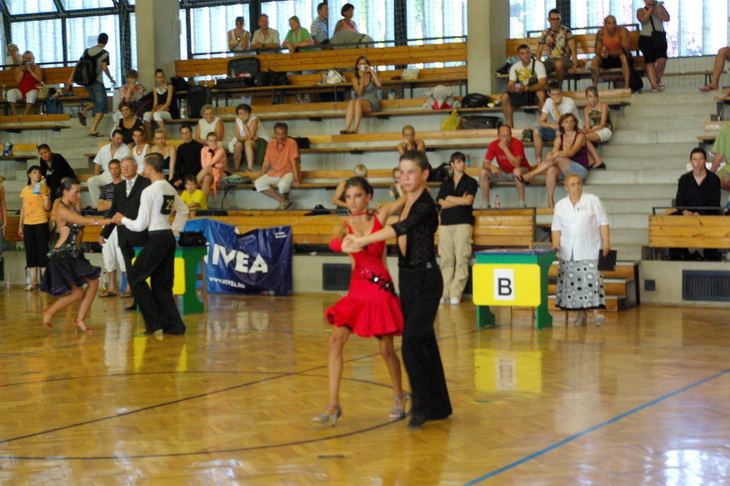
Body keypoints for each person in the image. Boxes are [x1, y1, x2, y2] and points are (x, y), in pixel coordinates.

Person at [342, 150, 452, 429]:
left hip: (427, 279)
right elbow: (389, 211)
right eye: (401, 173)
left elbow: (400, 228)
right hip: (407, 278)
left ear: (424, 174)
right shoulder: (406, 200)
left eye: (410, 172)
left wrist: (362, 240)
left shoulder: (426, 205)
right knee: (425, 343)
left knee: (412, 342)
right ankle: (439, 405)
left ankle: (421, 406)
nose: (405, 177)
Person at [312, 177, 407, 425]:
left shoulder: (381, 215)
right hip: (357, 292)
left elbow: (408, 199)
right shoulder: (343, 225)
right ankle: (333, 404)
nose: (352, 201)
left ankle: (399, 395)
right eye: (348, 197)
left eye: (357, 196)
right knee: (335, 341)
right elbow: (334, 241)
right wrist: (342, 245)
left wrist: (404, 187)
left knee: (386, 350)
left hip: (381, 290)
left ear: (368, 196)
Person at [112, 152, 189, 335]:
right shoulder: (169, 187)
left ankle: (157, 320)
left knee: (135, 277)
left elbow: (140, 225)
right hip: (167, 238)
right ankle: (175, 325)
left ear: (150, 168)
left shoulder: (149, 191)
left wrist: (123, 220)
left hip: (157, 238)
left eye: (144, 165)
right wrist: (174, 231)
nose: (143, 169)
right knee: (162, 285)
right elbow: (184, 211)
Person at [40, 178, 112, 332]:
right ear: (65, 192)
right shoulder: (61, 209)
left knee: (87, 286)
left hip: (74, 254)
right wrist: (110, 221)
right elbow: (85, 222)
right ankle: (51, 312)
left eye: (79, 192)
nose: (79, 195)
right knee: (80, 290)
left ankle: (77, 319)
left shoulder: (72, 207)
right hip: (63, 254)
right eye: (76, 192)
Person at [551, 173, 610, 327]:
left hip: (590, 249)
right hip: (568, 252)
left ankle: (597, 312)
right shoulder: (560, 205)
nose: (576, 187)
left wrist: (606, 242)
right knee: (574, 285)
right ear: (566, 187)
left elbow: (603, 222)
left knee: (592, 281)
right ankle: (581, 314)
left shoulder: (593, 200)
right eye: (572, 184)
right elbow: (556, 228)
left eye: (578, 183)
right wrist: (556, 243)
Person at [100, 156, 151, 311]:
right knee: (130, 270)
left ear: (136, 166)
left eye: (128, 166)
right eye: (123, 167)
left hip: (142, 233)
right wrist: (105, 233)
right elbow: (114, 211)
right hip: (124, 235)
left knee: (143, 269)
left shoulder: (146, 183)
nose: (125, 169)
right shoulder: (119, 187)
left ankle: (148, 301)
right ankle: (136, 300)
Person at [519, 113, 589, 208]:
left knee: (557, 157)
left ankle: (532, 174)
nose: (569, 124)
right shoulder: (559, 138)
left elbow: (571, 152)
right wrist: (550, 154)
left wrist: (555, 154)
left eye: (571, 121)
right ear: (562, 124)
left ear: (575, 123)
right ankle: (550, 201)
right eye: (566, 122)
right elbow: (554, 153)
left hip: (579, 170)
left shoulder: (580, 136)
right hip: (564, 170)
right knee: (551, 170)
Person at [437, 152, 478, 305]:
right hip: (446, 223)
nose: (462, 164)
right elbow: (441, 203)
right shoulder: (446, 182)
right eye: (458, 161)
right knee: (446, 259)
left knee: (462, 258)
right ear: (452, 164)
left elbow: (468, 201)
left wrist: (449, 198)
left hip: (463, 222)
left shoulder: (471, 181)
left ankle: (456, 293)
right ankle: (445, 292)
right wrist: (459, 199)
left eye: (463, 161)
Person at [671, 148, 722, 261]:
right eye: (695, 159)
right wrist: (685, 211)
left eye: (700, 159)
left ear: (705, 160)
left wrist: (700, 213)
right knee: (672, 219)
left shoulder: (714, 179)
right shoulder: (684, 179)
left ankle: (710, 254)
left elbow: (715, 203)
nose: (698, 162)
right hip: (688, 215)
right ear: (691, 161)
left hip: (707, 214)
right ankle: (680, 254)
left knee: (714, 218)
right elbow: (679, 201)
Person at [69, 33, 115, 137]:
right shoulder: (105, 53)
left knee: (95, 101)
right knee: (103, 106)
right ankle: (93, 129)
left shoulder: (87, 51)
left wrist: (71, 79)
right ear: (106, 41)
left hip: (86, 82)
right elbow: (104, 68)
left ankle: (84, 111)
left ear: (98, 40)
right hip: (97, 82)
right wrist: (111, 78)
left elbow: (77, 65)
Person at [479, 124, 531, 209]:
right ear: (498, 136)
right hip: (504, 172)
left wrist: (505, 149)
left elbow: (516, 164)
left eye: (508, 135)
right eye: (503, 136)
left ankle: (521, 203)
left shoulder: (517, 143)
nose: (506, 139)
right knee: (483, 173)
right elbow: (484, 164)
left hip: (521, 170)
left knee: (516, 171)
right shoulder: (494, 144)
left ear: (511, 134)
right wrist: (491, 167)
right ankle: (486, 203)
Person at [530, 81, 582, 163]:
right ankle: (538, 161)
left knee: (559, 133)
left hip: (574, 129)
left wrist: (554, 106)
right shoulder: (548, 101)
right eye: (554, 94)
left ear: (561, 92)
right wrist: (552, 125)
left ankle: (561, 161)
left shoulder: (569, 102)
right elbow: (541, 122)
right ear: (548, 94)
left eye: (558, 94)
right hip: (559, 128)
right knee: (536, 131)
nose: (556, 97)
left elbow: (563, 122)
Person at [96, 159, 126, 298]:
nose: (114, 171)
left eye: (116, 168)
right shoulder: (106, 188)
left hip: (121, 223)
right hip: (107, 223)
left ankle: (129, 287)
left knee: (123, 256)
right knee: (108, 256)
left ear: (120, 169)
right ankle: (112, 287)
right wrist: (114, 204)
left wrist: (109, 204)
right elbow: (99, 207)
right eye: (111, 168)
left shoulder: (126, 186)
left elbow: (124, 206)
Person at [500, 44, 547, 128]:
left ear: (530, 53)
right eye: (523, 53)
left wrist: (526, 88)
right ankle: (510, 127)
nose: (526, 55)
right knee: (504, 97)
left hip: (534, 94)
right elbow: (510, 84)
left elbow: (542, 84)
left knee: (541, 94)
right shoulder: (514, 67)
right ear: (518, 56)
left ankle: (544, 125)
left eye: (527, 53)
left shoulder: (538, 65)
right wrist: (512, 88)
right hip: (521, 94)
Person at [19, 166, 51, 291]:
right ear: (29, 175)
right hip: (28, 223)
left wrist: (46, 193)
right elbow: (23, 207)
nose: (37, 174)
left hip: (41, 222)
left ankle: (44, 281)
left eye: (39, 172)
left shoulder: (43, 188)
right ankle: (33, 280)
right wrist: (20, 224)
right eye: (34, 172)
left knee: (42, 250)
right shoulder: (25, 190)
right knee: (30, 251)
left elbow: (47, 207)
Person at [255, 122, 301, 210]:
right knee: (258, 183)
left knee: (282, 186)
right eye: (278, 134)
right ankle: (284, 201)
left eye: (283, 134)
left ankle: (285, 201)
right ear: (274, 134)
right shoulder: (270, 144)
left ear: (287, 133)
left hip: (289, 172)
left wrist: (296, 180)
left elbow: (294, 163)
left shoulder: (292, 143)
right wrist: (261, 177)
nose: (281, 136)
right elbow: (266, 163)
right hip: (276, 173)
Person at [536, 9, 578, 88]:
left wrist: (574, 65)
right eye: (553, 19)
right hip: (550, 60)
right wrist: (537, 66)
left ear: (560, 19)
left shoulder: (566, 31)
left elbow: (573, 49)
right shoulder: (545, 33)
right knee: (540, 68)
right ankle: (548, 89)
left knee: (559, 64)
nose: (555, 21)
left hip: (564, 59)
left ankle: (558, 88)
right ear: (548, 19)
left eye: (557, 19)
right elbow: (539, 51)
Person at [87, 130, 131, 206]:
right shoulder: (104, 149)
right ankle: (97, 206)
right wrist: (97, 177)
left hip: (119, 176)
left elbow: (126, 166)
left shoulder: (125, 149)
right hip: (105, 175)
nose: (120, 141)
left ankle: (113, 205)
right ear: (112, 138)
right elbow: (97, 165)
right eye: (118, 138)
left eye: (121, 139)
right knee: (91, 181)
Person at [341, 56, 381, 134]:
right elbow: (359, 93)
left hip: (371, 102)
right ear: (357, 66)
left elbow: (379, 85)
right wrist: (361, 80)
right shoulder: (355, 78)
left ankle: (355, 128)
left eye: (364, 64)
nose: (362, 65)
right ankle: (346, 128)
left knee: (358, 101)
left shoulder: (372, 76)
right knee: (352, 102)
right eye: (360, 64)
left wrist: (371, 71)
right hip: (358, 102)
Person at [637, 0, 670, 93]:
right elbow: (643, 19)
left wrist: (657, 13)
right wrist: (650, 9)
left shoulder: (660, 7)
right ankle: (653, 85)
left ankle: (658, 79)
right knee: (650, 62)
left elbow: (667, 18)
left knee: (662, 60)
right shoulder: (640, 10)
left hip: (659, 37)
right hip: (646, 39)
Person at [591, 15, 631, 89]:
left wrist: (609, 52)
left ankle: (626, 86)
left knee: (623, 57)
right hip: (607, 58)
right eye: (609, 23)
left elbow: (626, 50)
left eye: (614, 23)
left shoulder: (622, 31)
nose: (612, 25)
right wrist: (602, 53)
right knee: (595, 60)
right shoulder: (601, 33)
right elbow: (597, 50)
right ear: (605, 25)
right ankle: (594, 88)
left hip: (620, 57)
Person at [229, 103, 270, 171]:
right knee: (237, 145)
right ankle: (236, 169)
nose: (243, 115)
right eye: (240, 113)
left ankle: (250, 168)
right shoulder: (237, 120)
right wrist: (250, 137)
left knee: (248, 143)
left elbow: (250, 136)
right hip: (247, 138)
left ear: (249, 113)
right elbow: (238, 137)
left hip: (260, 139)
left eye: (245, 113)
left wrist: (244, 124)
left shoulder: (254, 120)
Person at [143, 69, 178, 136]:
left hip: (169, 111)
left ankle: (165, 136)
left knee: (157, 114)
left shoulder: (169, 86)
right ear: (156, 78)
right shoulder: (155, 88)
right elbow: (155, 103)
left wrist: (157, 111)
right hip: (159, 110)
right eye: (158, 77)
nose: (160, 79)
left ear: (164, 77)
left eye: (162, 77)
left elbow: (168, 102)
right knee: (146, 115)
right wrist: (153, 111)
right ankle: (148, 137)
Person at [582, 86, 611, 169]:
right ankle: (592, 160)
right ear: (586, 97)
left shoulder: (603, 105)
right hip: (595, 129)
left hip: (606, 129)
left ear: (597, 96)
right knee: (580, 137)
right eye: (590, 96)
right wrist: (584, 131)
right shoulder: (586, 109)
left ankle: (596, 160)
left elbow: (602, 124)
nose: (593, 99)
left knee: (582, 138)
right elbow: (587, 127)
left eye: (595, 96)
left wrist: (589, 131)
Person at [7, 51, 43, 116]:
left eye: (30, 58)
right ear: (23, 59)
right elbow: (18, 80)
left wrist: (30, 71)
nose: (28, 60)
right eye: (26, 58)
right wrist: (23, 70)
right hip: (21, 90)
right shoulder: (19, 68)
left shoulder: (37, 67)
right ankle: (14, 112)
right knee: (10, 92)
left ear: (33, 59)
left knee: (31, 94)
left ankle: (25, 113)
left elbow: (39, 79)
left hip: (33, 88)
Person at [198, 131, 228, 198]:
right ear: (207, 142)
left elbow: (208, 165)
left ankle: (193, 185)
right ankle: (203, 202)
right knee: (206, 178)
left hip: (222, 174)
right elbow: (204, 166)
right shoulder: (203, 150)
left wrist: (210, 151)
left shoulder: (220, 150)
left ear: (217, 141)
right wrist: (213, 166)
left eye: (215, 141)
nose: (213, 143)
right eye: (210, 141)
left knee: (207, 169)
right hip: (210, 173)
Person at [174, 124, 203, 190]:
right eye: (183, 133)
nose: (185, 135)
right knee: (171, 184)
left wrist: (182, 179)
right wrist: (178, 178)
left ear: (191, 133)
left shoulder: (199, 146)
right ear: (181, 135)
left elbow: (197, 165)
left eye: (187, 132)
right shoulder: (181, 147)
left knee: (183, 186)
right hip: (183, 175)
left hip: (194, 175)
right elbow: (178, 165)